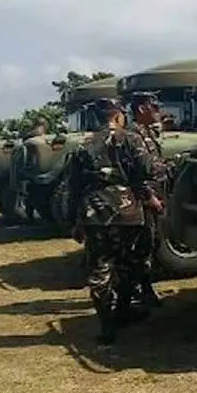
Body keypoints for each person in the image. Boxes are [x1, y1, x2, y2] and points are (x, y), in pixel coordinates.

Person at [65, 97, 164, 346]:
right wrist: (150, 195)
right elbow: (146, 172)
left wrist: (75, 221)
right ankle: (122, 310)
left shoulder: (82, 144)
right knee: (128, 264)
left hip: (95, 213)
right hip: (127, 211)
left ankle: (106, 325)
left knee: (100, 268)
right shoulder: (130, 138)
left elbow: (74, 186)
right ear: (118, 115)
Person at [127, 91, 172, 309]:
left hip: (154, 195)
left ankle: (143, 288)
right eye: (154, 107)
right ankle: (140, 291)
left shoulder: (145, 133)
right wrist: (149, 196)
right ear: (142, 109)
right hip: (143, 201)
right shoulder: (133, 135)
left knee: (151, 243)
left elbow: (155, 163)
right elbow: (136, 174)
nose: (158, 111)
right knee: (141, 246)